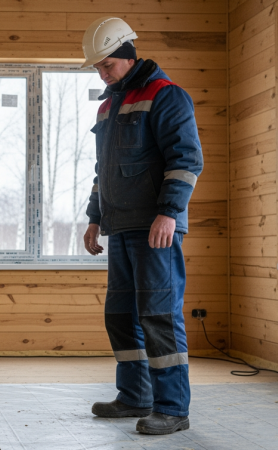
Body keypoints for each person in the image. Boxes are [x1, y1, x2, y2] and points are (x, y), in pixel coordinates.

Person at [80, 17, 204, 435]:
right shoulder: (108, 104)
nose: (102, 73)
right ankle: (136, 395)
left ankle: (172, 409)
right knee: (120, 315)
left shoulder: (166, 96)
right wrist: (94, 218)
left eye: (106, 65)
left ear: (127, 55)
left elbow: (185, 159)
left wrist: (169, 212)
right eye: (97, 67)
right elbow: (104, 170)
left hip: (157, 227)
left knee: (159, 316)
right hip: (121, 226)